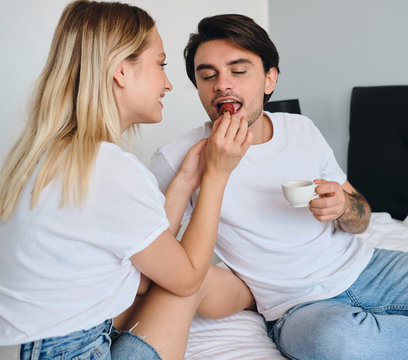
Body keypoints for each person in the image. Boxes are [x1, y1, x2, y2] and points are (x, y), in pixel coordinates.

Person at [149, 13, 408, 360]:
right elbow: (157, 255)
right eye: (208, 75)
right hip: (295, 305)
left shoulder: (300, 129)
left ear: (270, 78)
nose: (222, 85)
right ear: (198, 86)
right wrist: (199, 176)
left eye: (239, 70)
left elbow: (362, 216)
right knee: (333, 344)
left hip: (369, 267)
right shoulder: (180, 157)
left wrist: (343, 208)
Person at [0, 2, 254, 360]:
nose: (167, 83)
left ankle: (255, 297)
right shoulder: (109, 169)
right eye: (160, 64)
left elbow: (147, 274)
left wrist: (183, 182)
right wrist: (216, 175)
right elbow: (187, 278)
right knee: (194, 284)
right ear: (121, 71)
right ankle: (258, 298)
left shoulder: (55, 156)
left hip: (36, 345)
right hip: (72, 350)